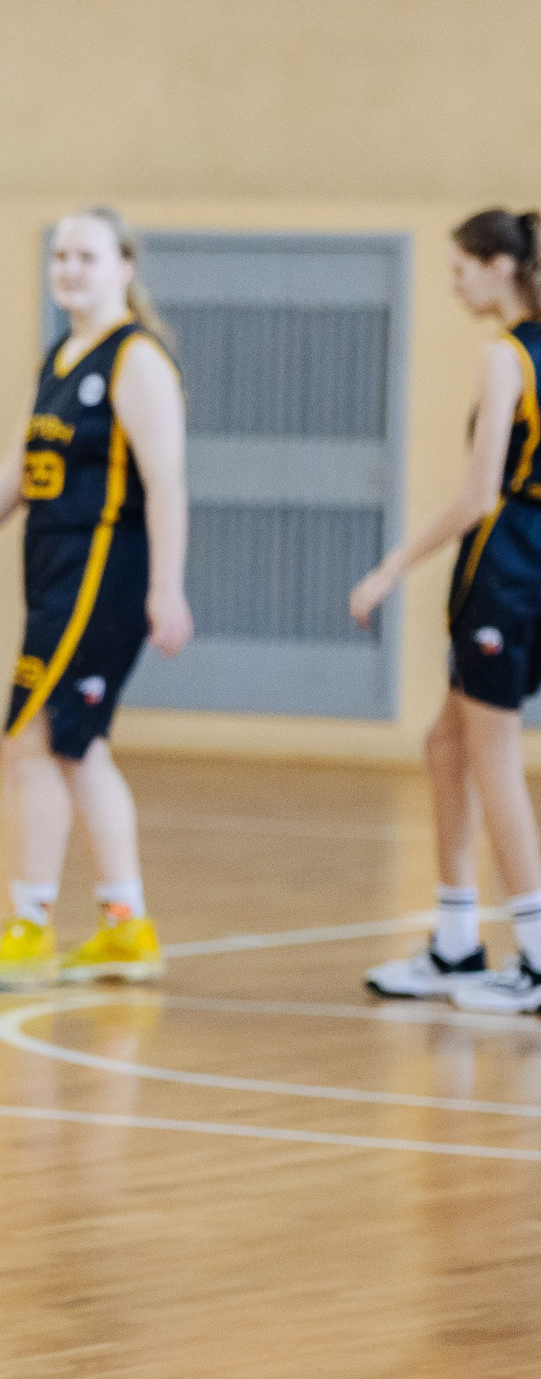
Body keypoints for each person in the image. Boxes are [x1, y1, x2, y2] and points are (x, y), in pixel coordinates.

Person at [0, 207, 192, 992]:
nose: (70, 269)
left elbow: (166, 483)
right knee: (72, 741)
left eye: (88, 256)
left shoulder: (138, 362)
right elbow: (14, 476)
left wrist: (166, 587)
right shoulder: (62, 355)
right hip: (57, 571)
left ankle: (28, 928)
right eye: (61, 255)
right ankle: (126, 927)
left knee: (29, 737)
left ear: (124, 266)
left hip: (107, 572)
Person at [352, 210, 541, 1012]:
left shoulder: (504, 355)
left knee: (493, 756)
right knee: (446, 740)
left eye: (462, 267)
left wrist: (390, 567)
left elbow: (476, 492)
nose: (454, 283)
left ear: (501, 266)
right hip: (530, 562)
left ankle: (535, 956)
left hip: (504, 567)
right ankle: (456, 941)